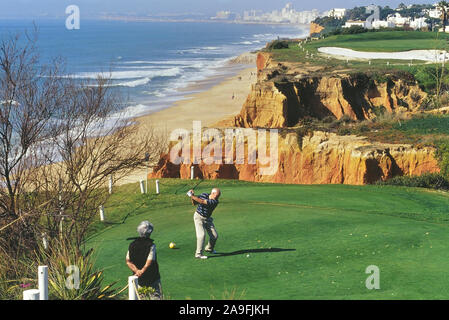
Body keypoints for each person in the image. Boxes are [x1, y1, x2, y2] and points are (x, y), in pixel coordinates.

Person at [125, 221, 162, 299]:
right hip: (152, 278)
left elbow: (128, 261)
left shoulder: (132, 244)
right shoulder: (151, 245)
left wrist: (137, 271)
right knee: (156, 297)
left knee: (140, 297)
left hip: (138, 279)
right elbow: (149, 262)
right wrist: (141, 271)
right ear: (150, 232)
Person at [187, 188, 221, 259]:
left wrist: (191, 196)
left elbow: (202, 201)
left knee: (214, 236)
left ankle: (209, 248)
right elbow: (194, 203)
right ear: (212, 193)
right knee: (201, 235)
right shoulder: (204, 195)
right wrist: (192, 195)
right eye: (217, 195)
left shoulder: (215, 201)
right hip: (198, 217)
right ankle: (198, 254)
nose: (218, 197)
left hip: (207, 219)